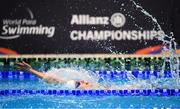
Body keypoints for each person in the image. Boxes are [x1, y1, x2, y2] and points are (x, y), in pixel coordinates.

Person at [15, 61, 107, 89]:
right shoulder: (73, 85)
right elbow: (52, 79)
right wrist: (31, 70)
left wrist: (31, 70)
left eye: (86, 83)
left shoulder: (95, 88)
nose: (83, 81)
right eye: (84, 83)